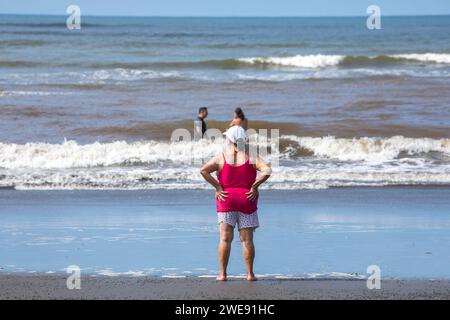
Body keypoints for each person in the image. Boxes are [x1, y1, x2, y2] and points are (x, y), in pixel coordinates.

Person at [200, 126, 271, 281]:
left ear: (229, 139)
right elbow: (267, 170)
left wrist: (218, 187)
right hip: (248, 200)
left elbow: (203, 170)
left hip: (226, 200)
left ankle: (222, 274)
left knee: (225, 238)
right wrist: (254, 186)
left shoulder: (221, 157)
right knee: (247, 240)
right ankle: (250, 274)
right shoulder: (252, 156)